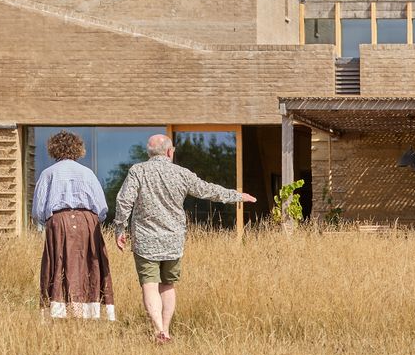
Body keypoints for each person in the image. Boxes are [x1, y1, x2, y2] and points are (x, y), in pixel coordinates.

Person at [112, 134, 256, 343]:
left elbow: (124, 201)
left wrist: (120, 229)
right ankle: (167, 330)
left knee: (150, 285)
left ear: (149, 153)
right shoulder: (181, 173)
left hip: (145, 241)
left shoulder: (138, 171)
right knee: (168, 285)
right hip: (173, 241)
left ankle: (158, 329)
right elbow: (207, 190)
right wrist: (237, 195)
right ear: (170, 152)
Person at [32, 130, 116, 320]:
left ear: (54, 149)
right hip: (87, 221)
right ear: (78, 149)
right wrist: (92, 221)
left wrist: (48, 223)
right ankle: (89, 311)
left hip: (58, 221)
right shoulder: (87, 173)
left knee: (59, 264)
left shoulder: (48, 173)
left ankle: (60, 310)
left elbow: (38, 209)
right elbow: (102, 207)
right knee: (89, 264)